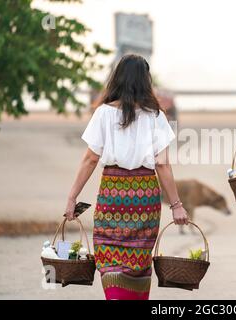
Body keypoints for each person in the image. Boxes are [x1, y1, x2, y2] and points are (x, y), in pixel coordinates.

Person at [64, 54, 188, 300]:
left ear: (117, 78)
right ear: (145, 81)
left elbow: (90, 159)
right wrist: (176, 206)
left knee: (108, 255)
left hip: (113, 193)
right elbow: (162, 165)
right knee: (138, 262)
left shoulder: (103, 113)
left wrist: (71, 198)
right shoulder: (155, 116)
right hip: (144, 197)